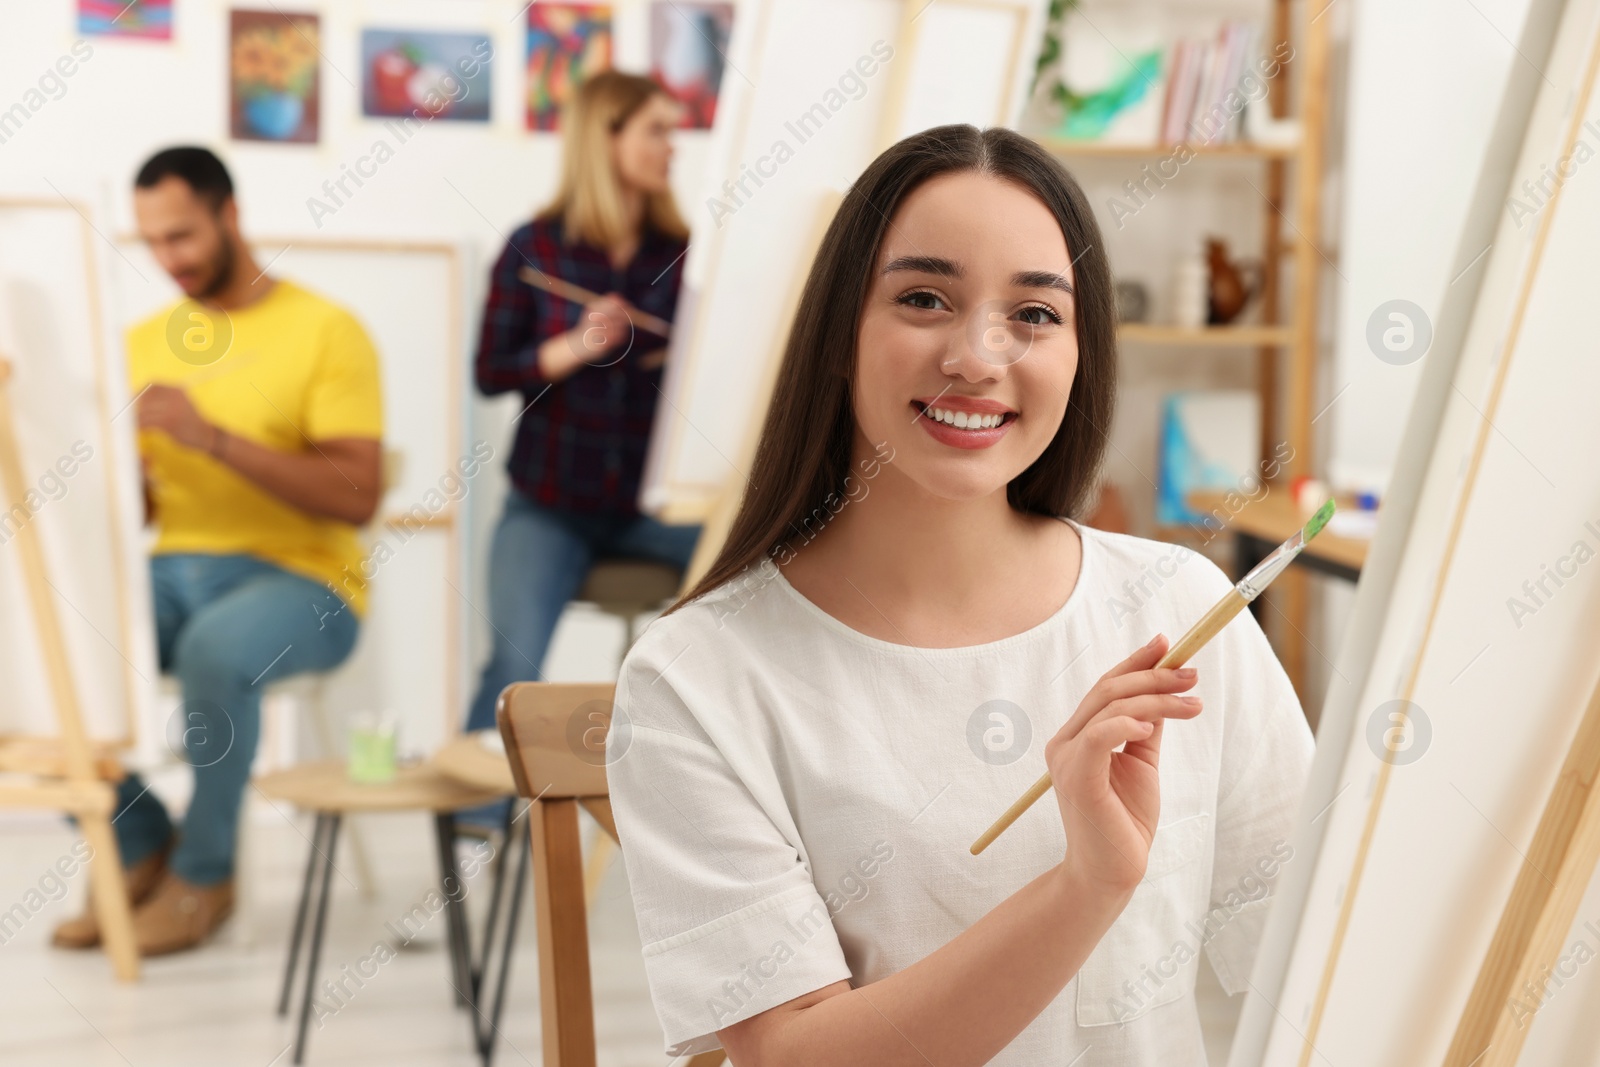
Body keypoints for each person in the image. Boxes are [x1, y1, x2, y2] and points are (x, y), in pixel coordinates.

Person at [605, 124, 1316, 1065]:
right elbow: (791, 1054)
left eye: (1034, 314)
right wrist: (1085, 884)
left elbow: (1318, 957)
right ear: (837, 335)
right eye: (925, 298)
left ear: (1081, 354)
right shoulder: (696, 678)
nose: (979, 356)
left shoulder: (1183, 607)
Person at [51, 147, 383, 956]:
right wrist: (116, 474)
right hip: (174, 566)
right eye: (154, 243)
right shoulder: (134, 343)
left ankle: (205, 877)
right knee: (45, 645)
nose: (171, 259)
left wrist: (213, 437)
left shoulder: (327, 331)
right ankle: (138, 842)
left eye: (184, 236)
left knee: (213, 649)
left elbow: (357, 494)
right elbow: (135, 510)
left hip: (309, 579)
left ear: (229, 214)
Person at [463, 71, 699, 744]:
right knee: (515, 667)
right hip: (548, 506)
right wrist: (574, 345)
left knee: (774, 599)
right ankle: (476, 833)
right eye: (657, 130)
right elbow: (489, 371)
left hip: (655, 509)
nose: (672, 147)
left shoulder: (685, 256)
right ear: (606, 137)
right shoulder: (532, 247)